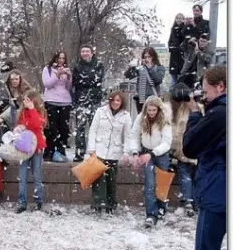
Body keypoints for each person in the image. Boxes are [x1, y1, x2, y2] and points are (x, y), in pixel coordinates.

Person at [183, 66, 226, 250]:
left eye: (206, 91)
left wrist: (194, 114)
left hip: (218, 193)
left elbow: (190, 147)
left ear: (220, 87)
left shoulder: (220, 114)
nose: (204, 96)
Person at [129, 96, 173, 228]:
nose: (151, 113)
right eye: (149, 110)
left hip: (161, 154)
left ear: (158, 110)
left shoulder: (165, 121)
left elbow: (166, 142)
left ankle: (161, 209)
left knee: (162, 184)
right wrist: (135, 152)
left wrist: (153, 153)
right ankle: (151, 214)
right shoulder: (140, 118)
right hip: (145, 151)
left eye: (154, 110)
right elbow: (134, 135)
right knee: (149, 183)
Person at [87, 91, 132, 214]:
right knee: (98, 178)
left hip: (114, 150)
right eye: (113, 100)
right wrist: (91, 149)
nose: (115, 103)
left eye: (118, 100)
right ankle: (98, 203)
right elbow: (93, 130)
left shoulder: (126, 115)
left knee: (111, 178)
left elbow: (128, 135)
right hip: (99, 148)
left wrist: (126, 152)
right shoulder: (100, 111)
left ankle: (110, 204)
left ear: (121, 102)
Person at [168, 83, 203, 217]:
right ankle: (189, 201)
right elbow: (175, 132)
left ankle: (193, 201)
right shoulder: (175, 109)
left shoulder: (196, 108)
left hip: (192, 148)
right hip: (182, 150)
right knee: (185, 174)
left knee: (194, 175)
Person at [14, 90, 47, 214]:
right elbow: (21, 126)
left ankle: (39, 201)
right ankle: (22, 202)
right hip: (24, 148)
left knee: (37, 176)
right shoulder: (21, 113)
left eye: (29, 100)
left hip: (37, 147)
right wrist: (17, 129)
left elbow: (37, 125)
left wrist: (32, 109)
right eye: (25, 100)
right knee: (22, 177)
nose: (26, 102)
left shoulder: (40, 112)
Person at [72, 45, 105, 162]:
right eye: (83, 51)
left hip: (95, 100)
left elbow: (98, 80)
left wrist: (85, 79)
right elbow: (76, 81)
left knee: (94, 126)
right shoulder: (76, 66)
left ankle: (95, 151)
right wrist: (88, 78)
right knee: (80, 127)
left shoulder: (99, 65)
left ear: (92, 53)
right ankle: (80, 152)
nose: (85, 53)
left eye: (87, 51)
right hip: (81, 100)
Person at [41, 51, 72, 162]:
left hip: (65, 102)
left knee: (63, 129)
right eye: (59, 58)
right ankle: (49, 152)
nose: (61, 60)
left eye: (63, 58)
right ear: (55, 58)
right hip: (51, 101)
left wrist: (68, 77)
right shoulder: (47, 69)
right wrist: (57, 76)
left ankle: (60, 151)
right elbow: (47, 84)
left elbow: (69, 87)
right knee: (51, 129)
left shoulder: (67, 69)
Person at [134, 47, 166, 114]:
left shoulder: (160, 68)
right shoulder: (140, 69)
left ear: (153, 57)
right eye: (145, 57)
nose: (147, 59)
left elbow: (158, 80)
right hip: (141, 100)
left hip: (153, 99)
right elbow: (128, 75)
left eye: (149, 57)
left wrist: (150, 68)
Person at [168, 13, 186, 87]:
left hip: (181, 56)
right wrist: (171, 47)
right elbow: (170, 41)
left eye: (181, 18)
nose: (179, 19)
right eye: (177, 18)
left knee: (181, 79)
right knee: (173, 79)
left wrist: (179, 48)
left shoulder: (184, 29)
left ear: (183, 19)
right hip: (174, 56)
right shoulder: (173, 29)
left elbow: (185, 41)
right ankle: (172, 95)